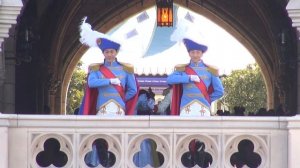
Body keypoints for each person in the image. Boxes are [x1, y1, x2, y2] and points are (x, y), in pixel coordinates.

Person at [78, 17, 138, 116]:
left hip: (119, 108)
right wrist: (109, 81)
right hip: (102, 107)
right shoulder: (96, 69)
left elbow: (133, 90)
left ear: (116, 52)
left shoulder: (126, 69)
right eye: (107, 52)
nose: (109, 54)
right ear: (103, 53)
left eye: (112, 52)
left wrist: (121, 97)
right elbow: (91, 83)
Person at [167, 36, 224, 116]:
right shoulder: (183, 69)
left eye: (198, 52)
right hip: (186, 106)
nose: (195, 55)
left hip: (203, 107)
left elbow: (220, 91)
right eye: (192, 52)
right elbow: (170, 79)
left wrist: (207, 99)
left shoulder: (210, 70)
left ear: (202, 53)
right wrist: (189, 78)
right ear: (189, 53)